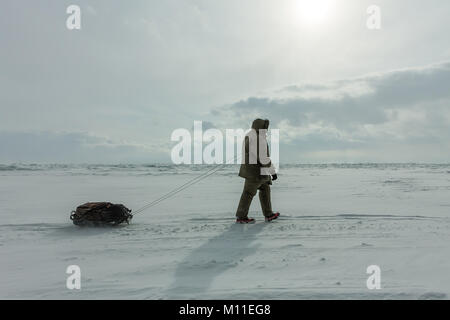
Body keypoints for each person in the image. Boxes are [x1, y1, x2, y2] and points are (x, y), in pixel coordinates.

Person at [235, 119, 280, 224]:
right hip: (255, 172)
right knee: (248, 193)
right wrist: (272, 171)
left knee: (265, 189)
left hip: (256, 171)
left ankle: (268, 214)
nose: (267, 130)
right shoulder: (258, 138)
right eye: (265, 127)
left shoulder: (250, 135)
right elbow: (263, 158)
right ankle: (241, 217)